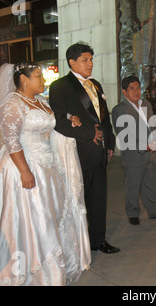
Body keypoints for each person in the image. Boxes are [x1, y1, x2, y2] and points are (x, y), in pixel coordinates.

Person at [0, 62, 91, 285]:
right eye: (38, 76)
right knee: (31, 220)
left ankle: (51, 270)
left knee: (50, 217)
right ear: (24, 79)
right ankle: (28, 271)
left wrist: (70, 119)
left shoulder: (41, 101)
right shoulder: (12, 103)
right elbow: (11, 140)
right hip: (23, 167)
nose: (43, 80)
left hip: (47, 167)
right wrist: (25, 171)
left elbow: (49, 125)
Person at [49, 42, 120, 254]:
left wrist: (110, 143)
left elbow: (104, 117)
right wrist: (90, 134)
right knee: (76, 201)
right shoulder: (60, 86)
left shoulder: (96, 84)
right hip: (77, 153)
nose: (90, 64)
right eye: (85, 60)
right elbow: (59, 122)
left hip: (100, 153)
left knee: (98, 200)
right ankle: (77, 244)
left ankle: (99, 240)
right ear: (72, 62)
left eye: (91, 59)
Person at [112, 75, 156, 225]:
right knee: (132, 186)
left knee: (150, 184)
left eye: (138, 88)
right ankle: (132, 213)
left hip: (150, 152)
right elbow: (124, 134)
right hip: (134, 154)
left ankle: (155, 212)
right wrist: (143, 146)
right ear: (124, 92)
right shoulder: (119, 109)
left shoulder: (146, 104)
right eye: (131, 89)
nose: (136, 91)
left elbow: (152, 125)